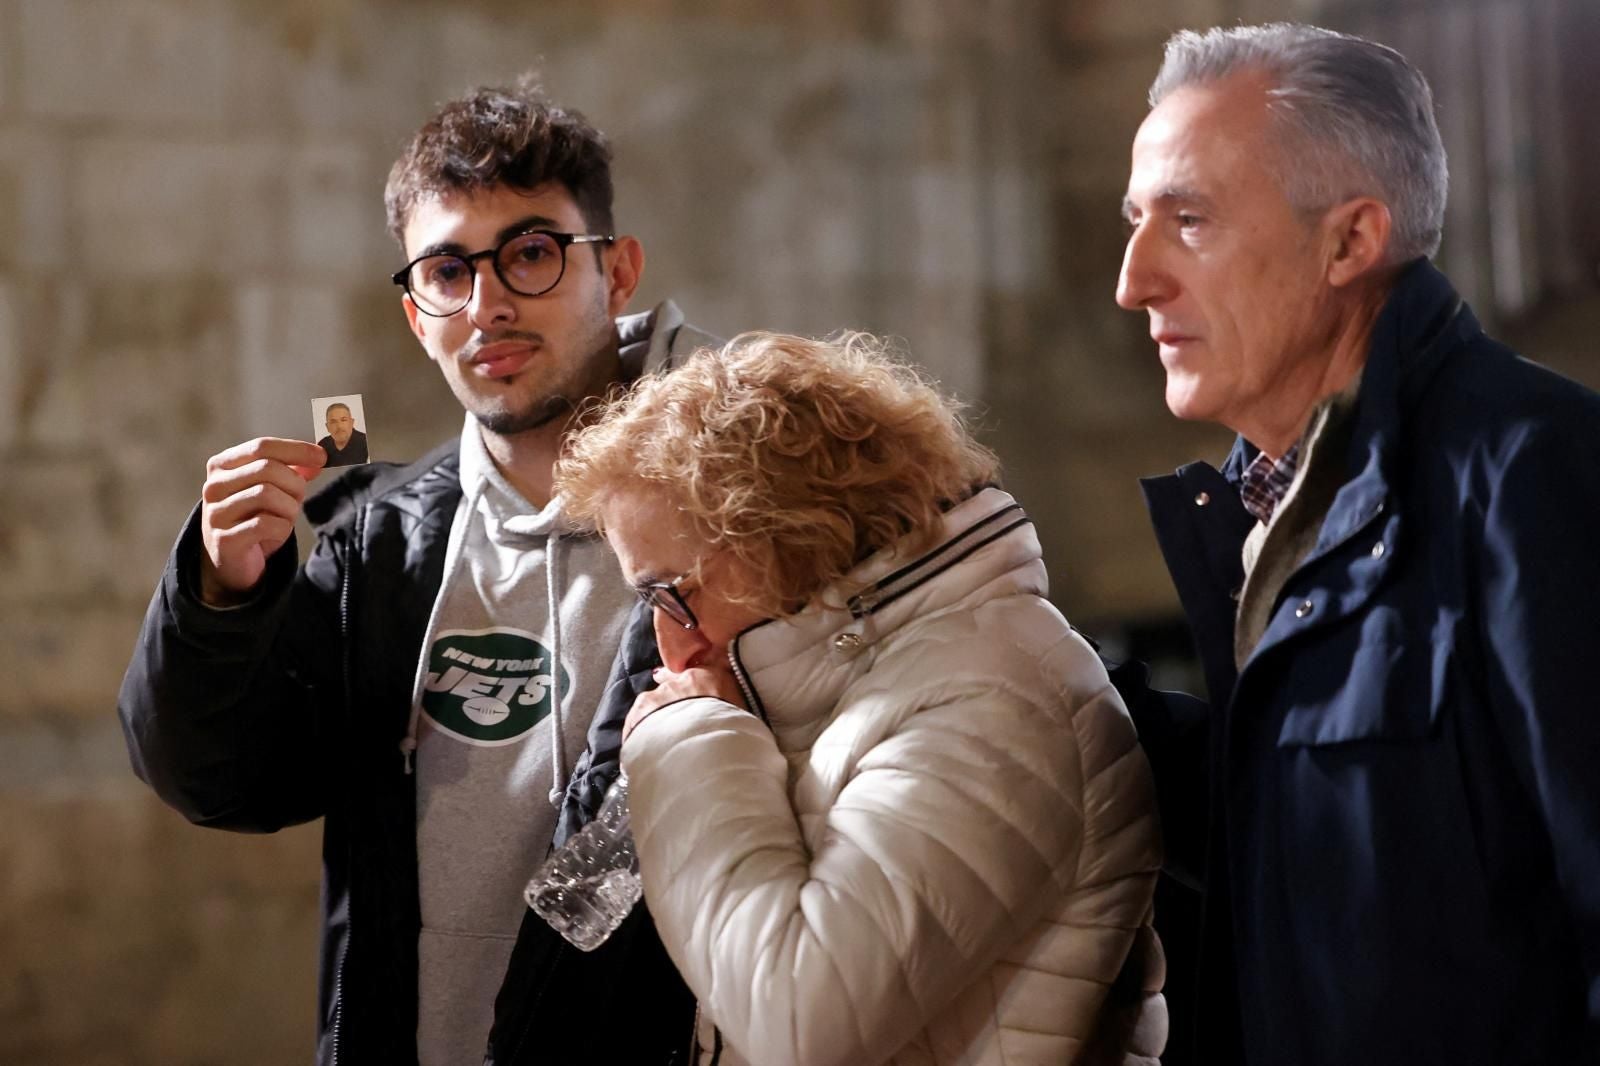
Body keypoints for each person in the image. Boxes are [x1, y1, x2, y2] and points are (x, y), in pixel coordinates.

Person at [117, 82, 718, 1065]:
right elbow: (224, 781)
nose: (488, 304)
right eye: (448, 270)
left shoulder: (745, 509)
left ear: (617, 271)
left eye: (531, 253)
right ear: (415, 314)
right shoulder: (379, 545)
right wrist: (220, 596)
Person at [1116, 22, 1600, 1066]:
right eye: (1133, 220)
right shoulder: (1266, 513)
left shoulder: (1538, 475)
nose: (1133, 279)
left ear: (1349, 241)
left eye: (1187, 219)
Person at [553, 331, 1167, 1066]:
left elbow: (796, 1022)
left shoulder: (996, 694)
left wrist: (686, 741)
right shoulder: (845, 685)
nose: (664, 641)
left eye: (667, 593)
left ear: (776, 539)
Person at [317, 402, 369, 466]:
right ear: (327, 427)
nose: (339, 426)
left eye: (343, 420)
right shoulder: (322, 446)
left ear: (352, 422)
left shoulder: (366, 442)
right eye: (333, 422)